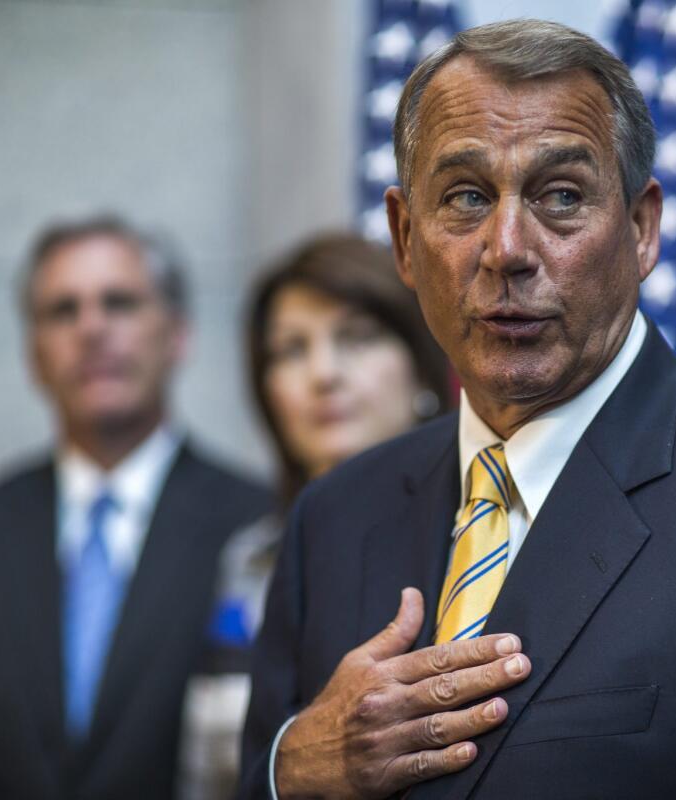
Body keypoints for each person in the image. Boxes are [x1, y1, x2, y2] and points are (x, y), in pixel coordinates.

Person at [239, 20, 676, 799]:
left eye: (562, 196)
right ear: (405, 240)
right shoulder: (334, 516)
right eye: (467, 197)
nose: (507, 247)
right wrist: (290, 768)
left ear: (643, 230)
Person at [0, 215, 271, 800]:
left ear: (178, 335)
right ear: (34, 353)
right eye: (63, 311)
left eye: (120, 302)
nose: (91, 329)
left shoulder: (263, 528)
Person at [177, 233, 450, 799]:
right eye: (291, 350)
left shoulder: (480, 530)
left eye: (357, 337)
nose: (323, 373)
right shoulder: (248, 556)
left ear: (422, 366)